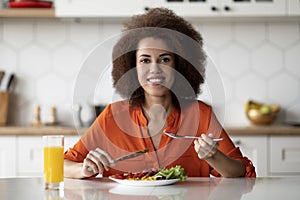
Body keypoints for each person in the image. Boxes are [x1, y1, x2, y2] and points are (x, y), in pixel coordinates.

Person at [64, 8, 256, 179]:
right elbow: (63, 165)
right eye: (145, 60)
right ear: (132, 67)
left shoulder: (201, 114)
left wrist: (214, 157)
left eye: (164, 60)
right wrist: (83, 169)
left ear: (180, 66)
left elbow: (240, 172)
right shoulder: (112, 116)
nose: (154, 69)